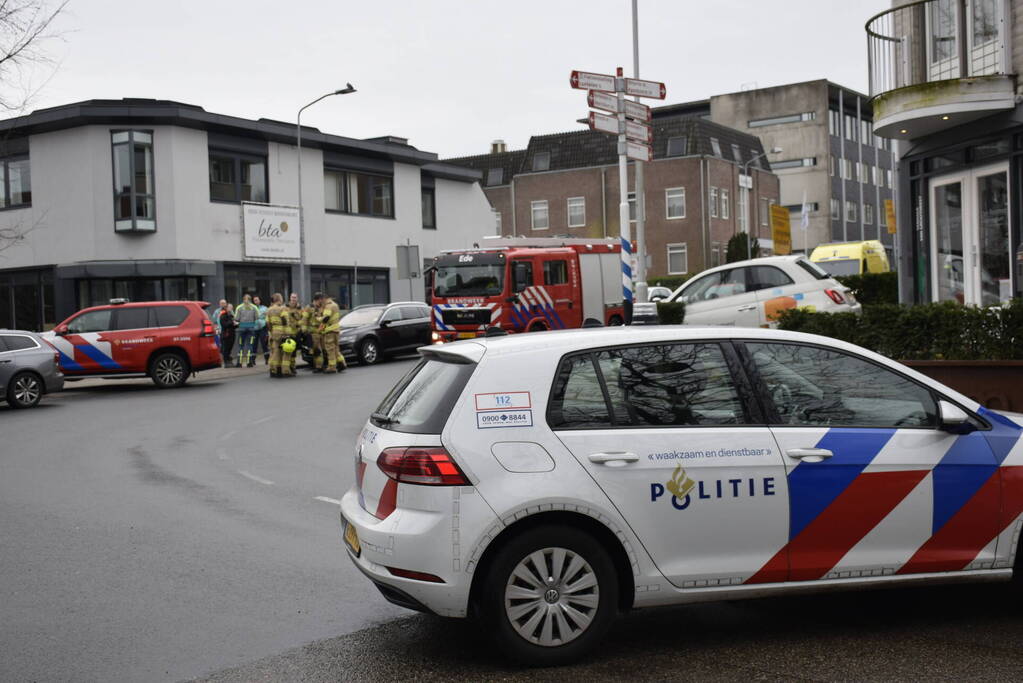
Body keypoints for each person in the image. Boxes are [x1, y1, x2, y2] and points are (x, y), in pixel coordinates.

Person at [317, 292, 345, 373]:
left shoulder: (328, 306)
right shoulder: (335, 304)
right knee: (336, 348)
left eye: (321, 300)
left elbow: (326, 318)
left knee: (330, 350)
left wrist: (318, 318)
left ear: (323, 299)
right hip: (336, 330)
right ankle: (342, 363)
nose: (321, 302)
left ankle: (332, 367)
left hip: (330, 331)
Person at [265, 293, 288, 378]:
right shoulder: (282, 308)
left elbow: (267, 322)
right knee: (281, 352)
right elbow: (285, 320)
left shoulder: (269, 309)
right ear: (279, 299)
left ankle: (273, 370)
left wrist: (271, 330)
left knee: (274, 351)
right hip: (281, 331)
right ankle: (280, 370)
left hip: (273, 332)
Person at [234, 294, 260, 367]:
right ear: (250, 300)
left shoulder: (239, 307)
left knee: (240, 345)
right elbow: (257, 317)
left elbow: (236, 318)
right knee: (250, 345)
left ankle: (239, 362)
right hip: (251, 328)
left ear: (243, 299)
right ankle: (249, 362)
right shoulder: (254, 307)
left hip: (242, 328)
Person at [283, 292, 303, 376]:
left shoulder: (300, 308)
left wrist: (298, 321)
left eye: (295, 297)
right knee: (288, 351)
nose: (293, 299)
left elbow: (303, 318)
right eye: (292, 297)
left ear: (297, 298)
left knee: (294, 352)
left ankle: (293, 367)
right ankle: (288, 369)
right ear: (290, 298)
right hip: (288, 333)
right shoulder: (285, 307)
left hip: (297, 332)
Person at [305, 294, 324, 372]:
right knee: (317, 351)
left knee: (324, 350)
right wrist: (305, 330)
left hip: (322, 331)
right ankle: (318, 367)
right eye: (320, 301)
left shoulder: (322, 307)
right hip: (314, 332)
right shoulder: (309, 308)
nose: (321, 302)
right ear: (316, 300)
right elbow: (305, 319)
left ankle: (322, 365)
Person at [217, 301, 236, 366]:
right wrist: (232, 323)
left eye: (231, 307)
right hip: (226, 334)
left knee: (229, 348)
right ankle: (226, 362)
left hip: (232, 334)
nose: (231, 309)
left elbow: (233, 323)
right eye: (230, 307)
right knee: (226, 349)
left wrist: (236, 324)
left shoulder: (231, 315)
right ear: (226, 308)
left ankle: (229, 361)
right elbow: (224, 324)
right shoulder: (223, 315)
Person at [253, 296, 269, 365]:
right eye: (254, 300)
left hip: (263, 328)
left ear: (260, 300)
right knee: (254, 344)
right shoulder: (252, 308)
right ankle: (252, 360)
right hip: (254, 328)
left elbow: (267, 317)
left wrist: (264, 321)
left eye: (256, 300)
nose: (255, 301)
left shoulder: (264, 308)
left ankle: (267, 359)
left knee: (264, 344)